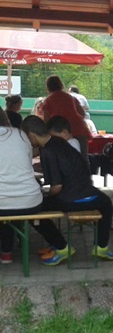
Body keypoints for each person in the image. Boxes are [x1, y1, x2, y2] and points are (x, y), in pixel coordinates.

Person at [22, 116, 113, 263]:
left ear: (31, 135)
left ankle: (61, 247)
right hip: (89, 194)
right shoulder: (59, 142)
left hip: (71, 199)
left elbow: (57, 187)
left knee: (32, 210)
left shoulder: (47, 151)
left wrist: (44, 197)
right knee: (106, 204)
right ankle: (101, 247)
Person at [0, 109, 71, 266]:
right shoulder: (20, 136)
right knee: (18, 205)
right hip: (29, 199)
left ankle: (6, 252)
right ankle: (7, 252)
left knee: (5, 204)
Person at [41, 75, 91, 159]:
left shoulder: (48, 100)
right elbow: (82, 113)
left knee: (64, 160)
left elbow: (46, 121)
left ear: (48, 87)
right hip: (80, 129)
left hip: (61, 133)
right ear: (61, 85)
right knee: (83, 159)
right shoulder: (71, 97)